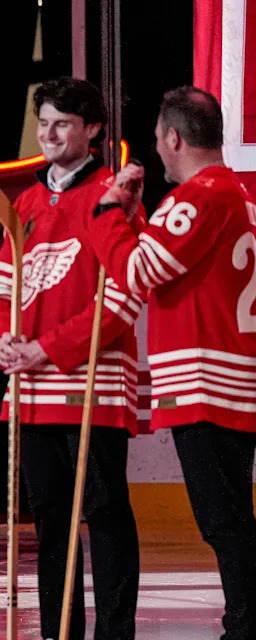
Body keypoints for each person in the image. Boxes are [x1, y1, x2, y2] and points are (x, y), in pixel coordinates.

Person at [90, 86, 256, 640]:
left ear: (174, 137)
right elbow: (170, 266)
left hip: (209, 386)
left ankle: (246, 622)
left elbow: (137, 273)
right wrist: (138, 223)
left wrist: (108, 213)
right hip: (231, 378)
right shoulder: (234, 193)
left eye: (160, 139)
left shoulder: (198, 195)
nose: (157, 152)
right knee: (227, 517)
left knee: (223, 520)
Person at [0, 77, 143, 640]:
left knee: (103, 513)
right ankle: (58, 631)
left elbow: (124, 298)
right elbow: (0, 287)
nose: (49, 135)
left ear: (93, 129)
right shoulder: (25, 202)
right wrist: (6, 336)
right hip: (30, 387)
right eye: (44, 123)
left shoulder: (111, 193)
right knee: (51, 520)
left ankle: (115, 633)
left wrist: (46, 348)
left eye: (63, 124)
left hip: (92, 383)